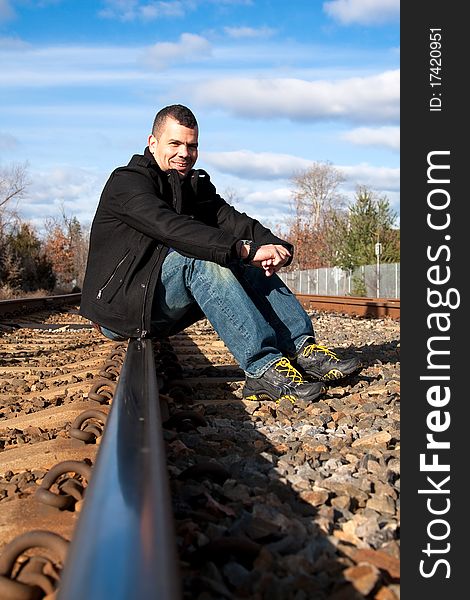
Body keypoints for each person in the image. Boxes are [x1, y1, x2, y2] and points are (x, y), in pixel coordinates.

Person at [80, 104, 361, 404]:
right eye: (174, 144)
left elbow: (232, 220)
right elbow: (170, 228)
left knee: (247, 260)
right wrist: (242, 250)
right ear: (153, 143)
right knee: (204, 258)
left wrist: (276, 246)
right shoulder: (128, 183)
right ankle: (262, 369)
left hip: (157, 299)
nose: (184, 153)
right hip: (122, 308)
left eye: (191, 145)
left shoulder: (193, 186)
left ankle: (303, 350)